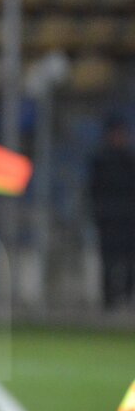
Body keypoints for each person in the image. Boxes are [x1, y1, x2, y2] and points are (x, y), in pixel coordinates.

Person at [88, 114, 135, 310]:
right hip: (107, 218)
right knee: (108, 261)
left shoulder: (129, 160)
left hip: (128, 218)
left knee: (129, 260)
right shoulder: (100, 161)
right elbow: (94, 190)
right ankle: (109, 301)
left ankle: (126, 295)